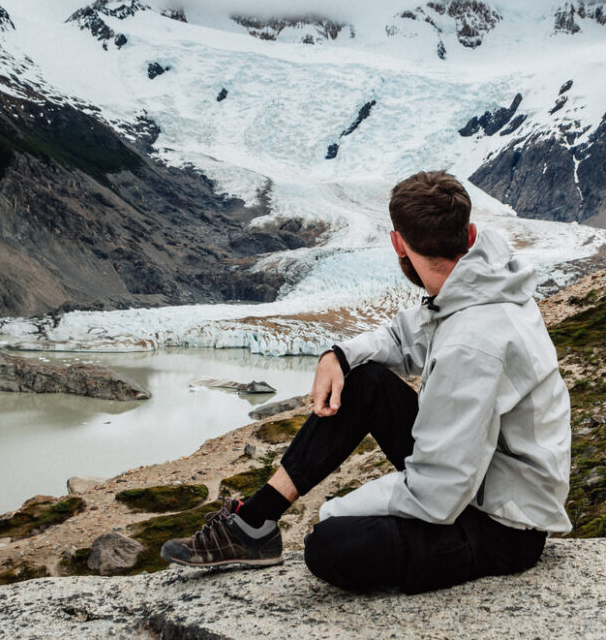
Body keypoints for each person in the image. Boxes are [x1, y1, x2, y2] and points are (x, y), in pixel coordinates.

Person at [161, 170, 572, 593]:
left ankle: (272, 527)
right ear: (468, 234)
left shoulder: (472, 343)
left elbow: (437, 493)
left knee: (329, 546)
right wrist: (337, 356)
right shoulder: (483, 282)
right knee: (364, 379)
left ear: (398, 244)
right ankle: (254, 522)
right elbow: (402, 337)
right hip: (481, 481)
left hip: (503, 527)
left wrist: (336, 510)